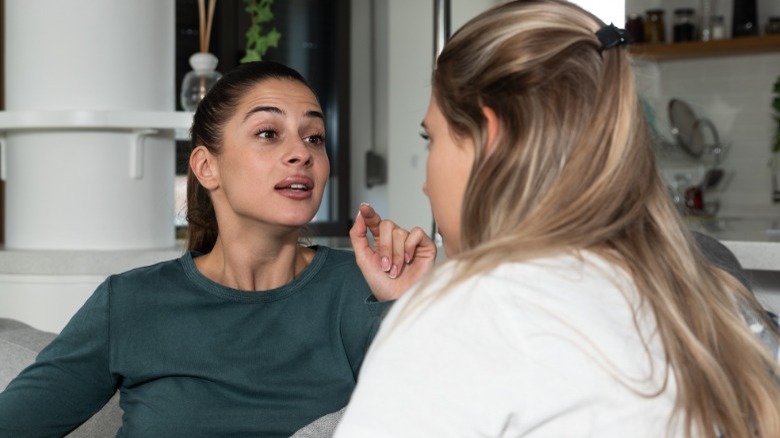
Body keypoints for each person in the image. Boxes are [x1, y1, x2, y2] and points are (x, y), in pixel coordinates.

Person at [335, 1, 780, 436]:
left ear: (490, 140)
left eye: (429, 138)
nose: (426, 184)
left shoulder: (474, 313)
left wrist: (425, 315)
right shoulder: (713, 293)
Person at [0, 61, 402, 437]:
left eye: (314, 137)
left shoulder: (366, 288)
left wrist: (401, 303)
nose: (302, 153)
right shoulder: (130, 302)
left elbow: (436, 413)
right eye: (268, 133)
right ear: (207, 167)